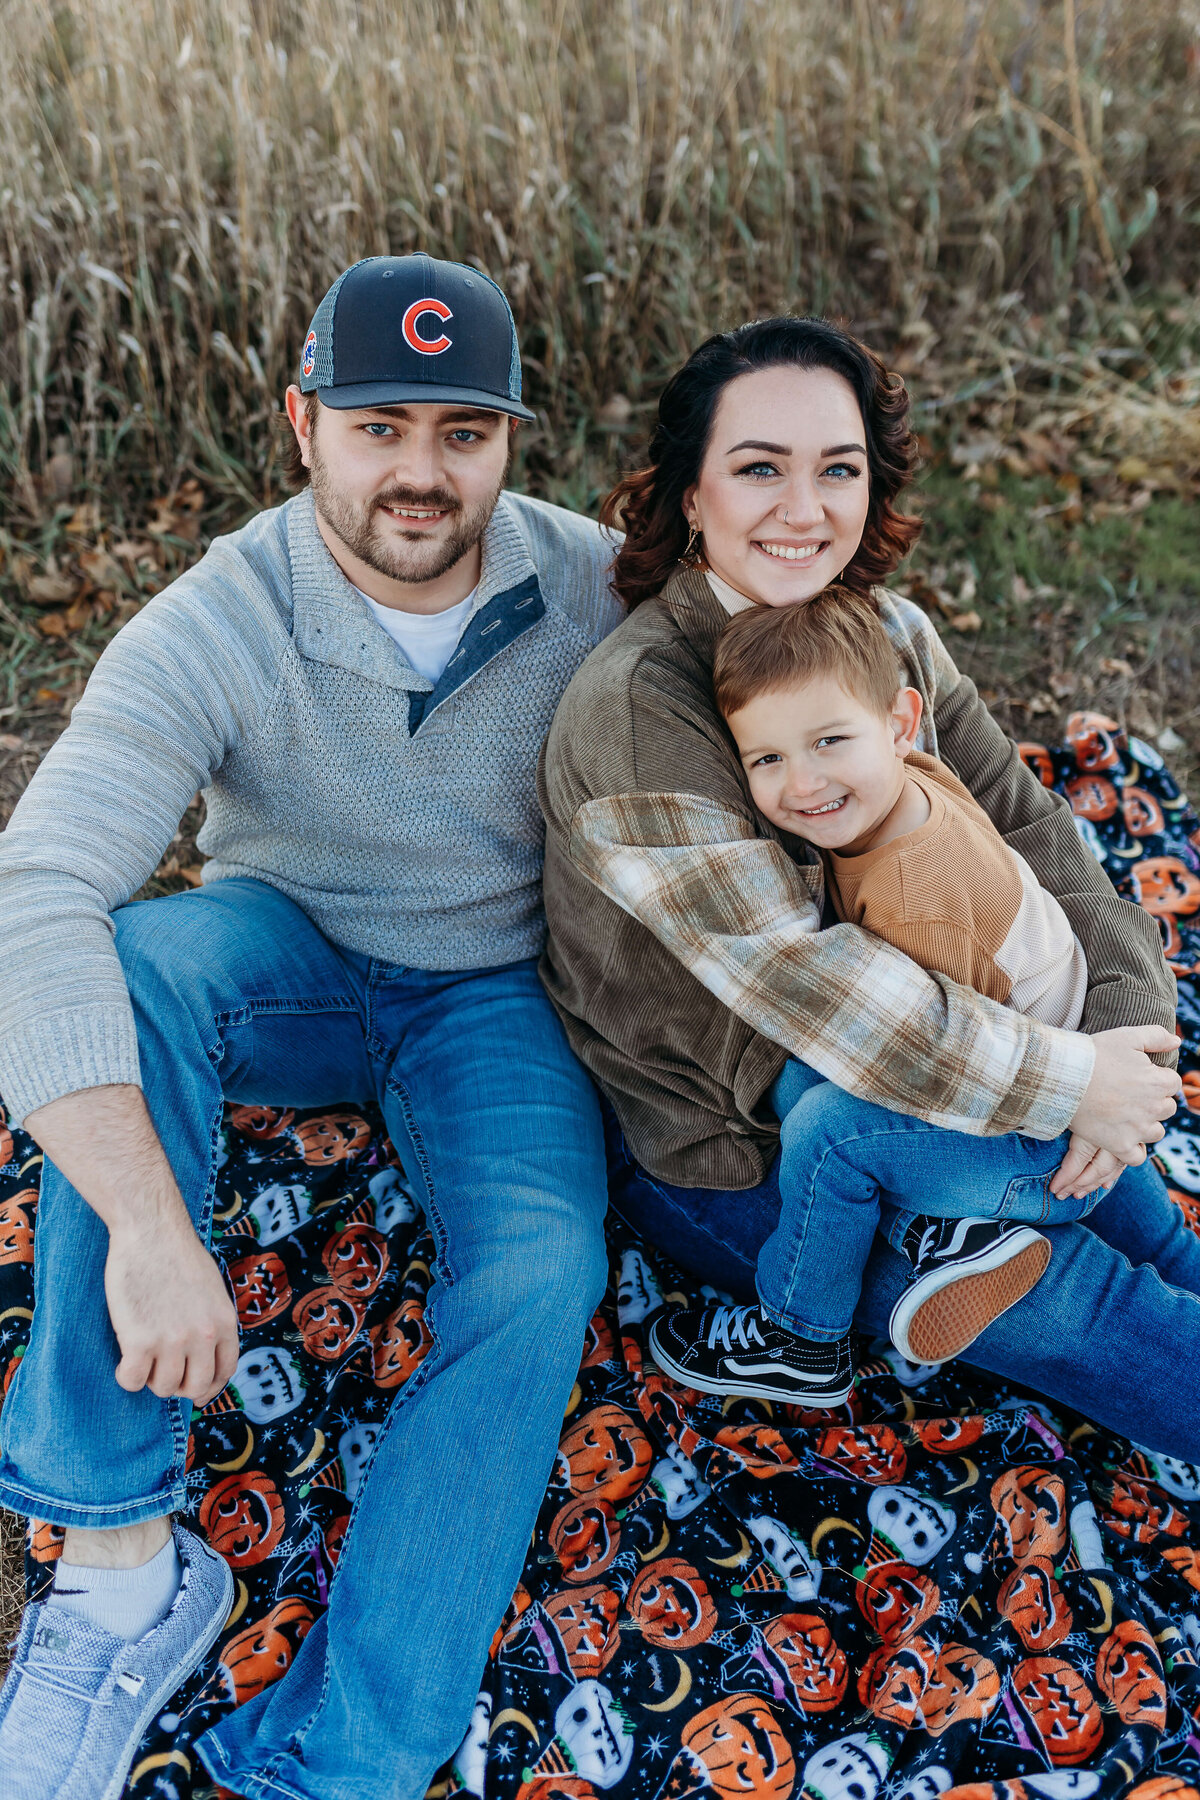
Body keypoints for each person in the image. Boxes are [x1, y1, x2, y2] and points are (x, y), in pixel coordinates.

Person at [0, 253, 621, 1800]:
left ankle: (341, 1759)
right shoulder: (222, 613)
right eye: (378, 426)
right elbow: (36, 885)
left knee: (544, 1266)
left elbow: (831, 663)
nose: (420, 473)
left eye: (462, 432)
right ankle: (122, 1560)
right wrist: (149, 1224)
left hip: (495, 991)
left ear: (510, 439)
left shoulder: (601, 586)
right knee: (143, 954)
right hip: (289, 961)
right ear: (303, 425)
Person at [538, 313, 1200, 1456]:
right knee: (1075, 1295)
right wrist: (1066, 1082)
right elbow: (803, 981)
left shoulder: (886, 633)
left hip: (957, 1055)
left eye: (836, 470)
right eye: (759, 470)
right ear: (691, 496)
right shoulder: (640, 708)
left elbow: (1037, 832)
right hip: (747, 1145)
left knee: (1154, 1225)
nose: (805, 510)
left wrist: (1126, 1034)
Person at [649, 589, 1121, 1408]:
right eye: (767, 760)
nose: (803, 783)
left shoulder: (917, 894)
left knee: (829, 1135)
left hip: (1044, 1145)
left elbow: (944, 1066)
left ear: (903, 723)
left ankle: (802, 1338)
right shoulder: (905, 784)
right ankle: (947, 1235)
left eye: (829, 741)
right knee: (801, 1076)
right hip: (1026, 1086)